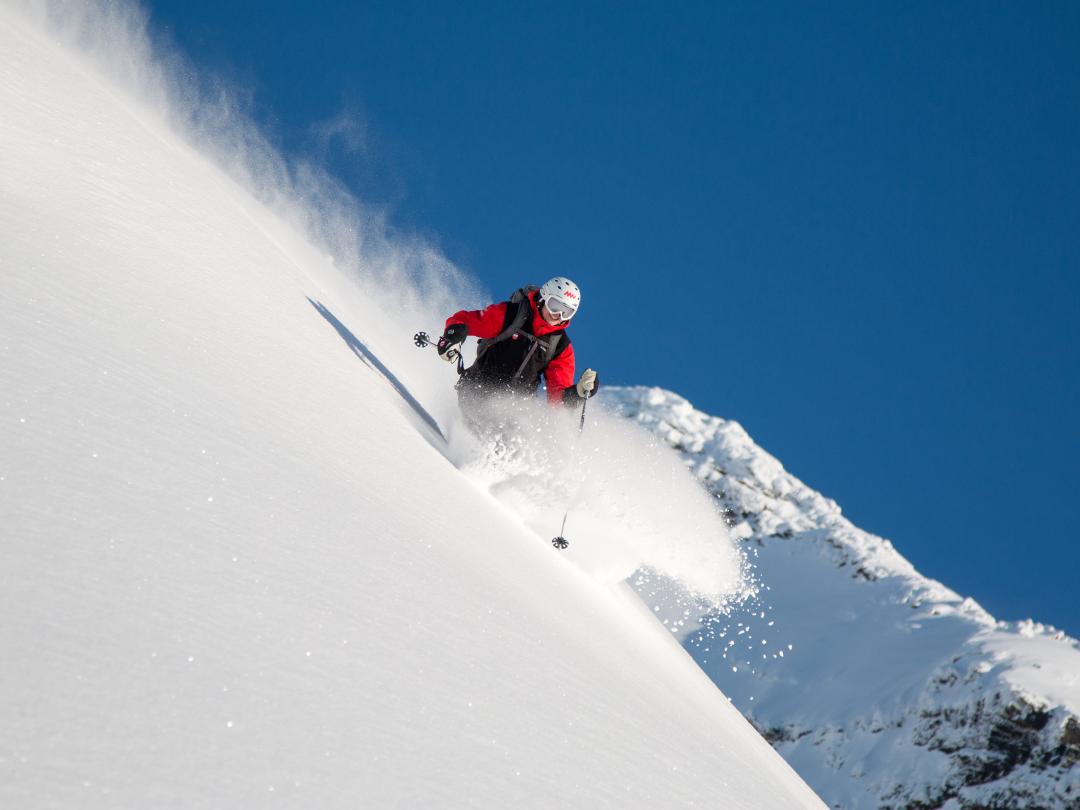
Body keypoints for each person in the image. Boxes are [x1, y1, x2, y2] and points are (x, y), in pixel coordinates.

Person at [436, 277, 599, 417]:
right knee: (486, 431)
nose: (558, 315)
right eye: (555, 305)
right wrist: (453, 338)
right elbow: (465, 321)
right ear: (543, 298)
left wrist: (578, 392)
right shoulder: (511, 315)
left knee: (520, 442)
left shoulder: (560, 346)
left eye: (567, 312)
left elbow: (557, 399)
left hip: (515, 412)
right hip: (477, 391)